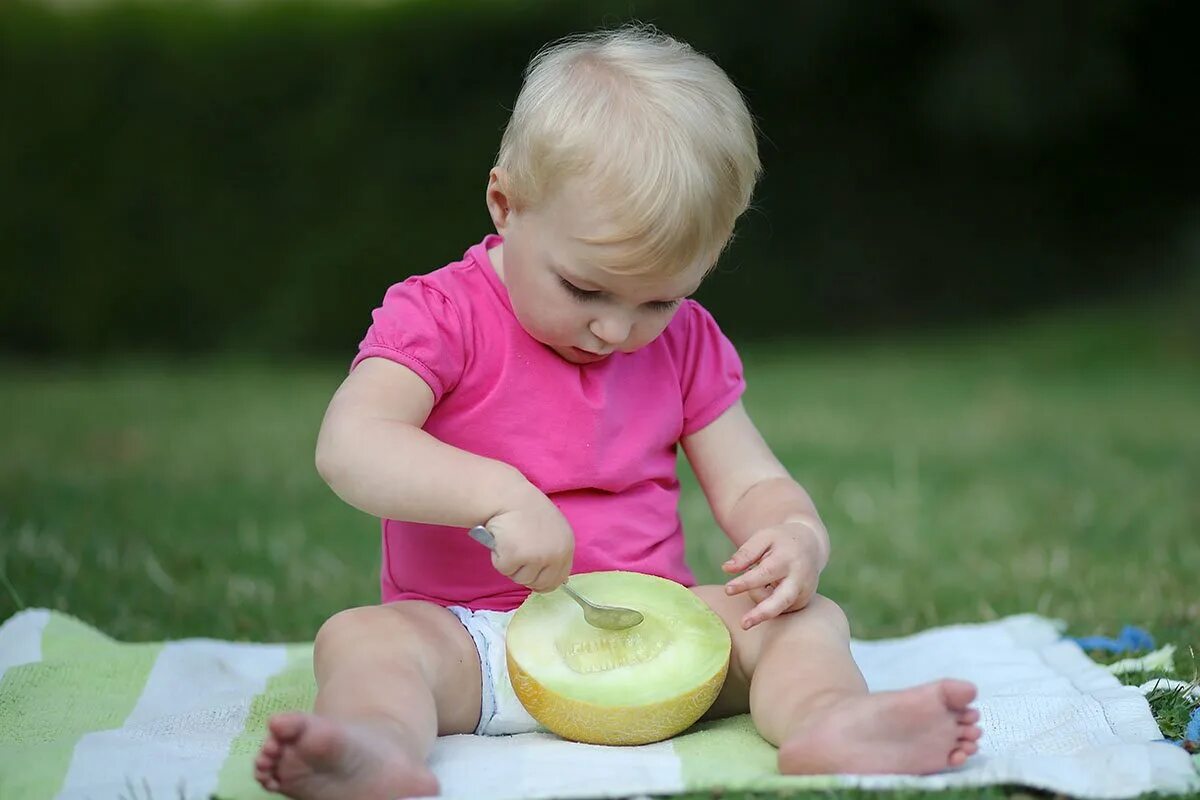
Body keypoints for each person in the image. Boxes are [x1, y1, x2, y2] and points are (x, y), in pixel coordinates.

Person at [254, 25, 981, 800]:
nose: (617, 330)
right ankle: (370, 749)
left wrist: (793, 535)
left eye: (660, 300)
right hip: (472, 641)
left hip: (660, 653)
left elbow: (752, 485)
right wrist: (498, 498)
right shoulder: (441, 315)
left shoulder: (687, 345)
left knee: (806, 621)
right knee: (363, 641)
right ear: (507, 204)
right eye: (585, 289)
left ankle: (832, 721)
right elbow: (353, 445)